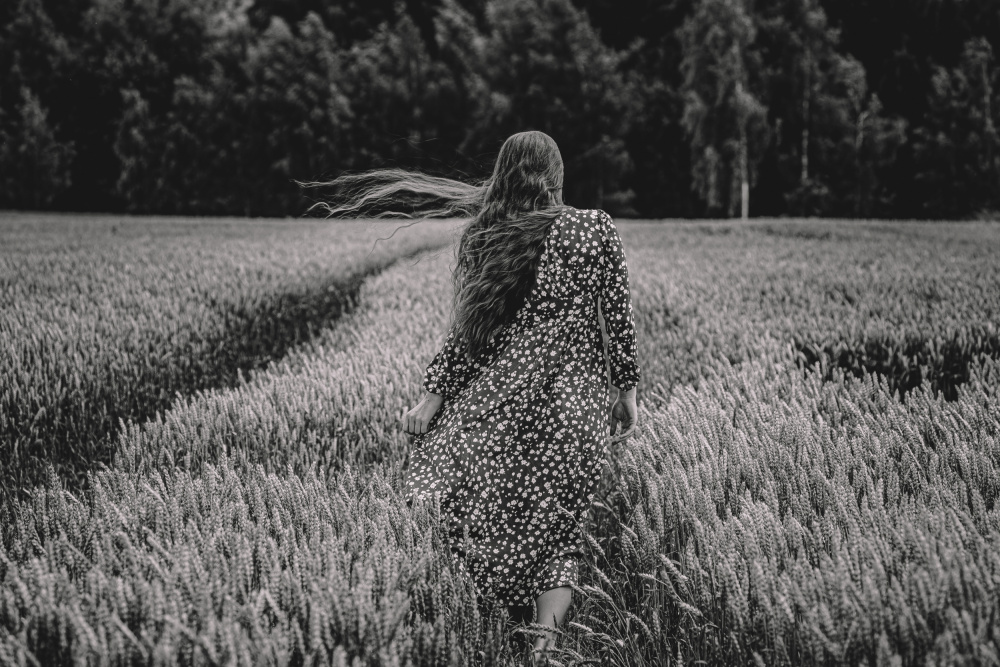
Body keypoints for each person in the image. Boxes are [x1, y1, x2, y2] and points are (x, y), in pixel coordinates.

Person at [312, 130, 639, 665]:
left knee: (474, 509)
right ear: (556, 177)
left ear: (505, 174)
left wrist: (432, 399)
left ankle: (477, 615)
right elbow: (618, 321)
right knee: (561, 532)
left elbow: (468, 334)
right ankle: (543, 649)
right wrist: (626, 391)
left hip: (503, 404)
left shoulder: (490, 233)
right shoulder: (595, 228)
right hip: (574, 411)